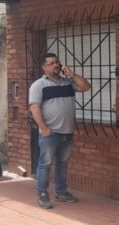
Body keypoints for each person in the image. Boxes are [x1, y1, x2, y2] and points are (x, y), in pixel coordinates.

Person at [28, 53, 91, 209]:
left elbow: (86, 87)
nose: (56, 65)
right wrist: (44, 129)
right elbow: (34, 108)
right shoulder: (39, 85)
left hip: (67, 132)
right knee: (45, 164)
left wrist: (72, 74)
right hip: (50, 133)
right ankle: (42, 194)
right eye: (51, 63)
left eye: (57, 62)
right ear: (44, 67)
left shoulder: (67, 82)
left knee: (62, 164)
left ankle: (61, 192)